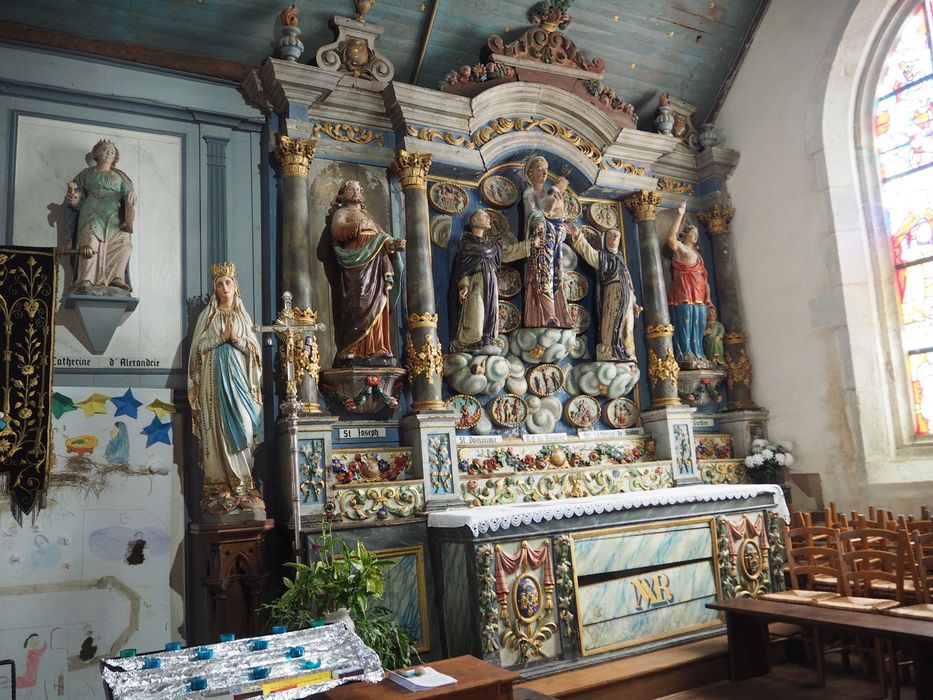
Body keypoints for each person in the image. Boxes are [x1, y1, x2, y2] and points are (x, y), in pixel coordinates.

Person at [187, 262, 265, 517]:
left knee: (243, 425)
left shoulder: (243, 317)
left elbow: (255, 353)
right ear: (215, 289)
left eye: (227, 283)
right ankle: (222, 485)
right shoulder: (207, 318)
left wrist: (237, 340)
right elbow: (197, 351)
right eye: (219, 284)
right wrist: (220, 339)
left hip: (240, 383)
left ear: (235, 286)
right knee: (217, 429)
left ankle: (243, 485)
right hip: (214, 385)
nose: (223, 287)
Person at [327, 180, 406, 365]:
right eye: (351, 189)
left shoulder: (367, 215)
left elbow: (381, 236)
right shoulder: (342, 213)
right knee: (359, 302)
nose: (355, 192)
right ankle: (350, 348)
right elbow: (337, 232)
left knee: (379, 303)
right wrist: (357, 226)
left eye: (358, 189)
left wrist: (392, 244)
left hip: (377, 264)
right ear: (343, 194)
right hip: (356, 264)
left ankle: (378, 347)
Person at [448, 209, 536, 353]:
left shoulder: (493, 245)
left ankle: (486, 340)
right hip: (476, 283)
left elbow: (507, 253)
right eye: (484, 216)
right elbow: (462, 268)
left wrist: (530, 245)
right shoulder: (466, 245)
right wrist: (464, 285)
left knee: (491, 313)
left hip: (491, 282)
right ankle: (467, 343)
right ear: (475, 222)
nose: (489, 218)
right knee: (475, 313)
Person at [66, 139, 136, 292]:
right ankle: (86, 279)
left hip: (114, 217)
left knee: (124, 244)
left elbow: (128, 194)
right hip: (91, 212)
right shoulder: (86, 174)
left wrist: (130, 197)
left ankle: (116, 278)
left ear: (115, 157)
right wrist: (74, 199)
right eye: (104, 149)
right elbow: (77, 195)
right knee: (89, 242)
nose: (108, 153)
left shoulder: (120, 176)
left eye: (112, 151)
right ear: (96, 153)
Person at [569, 226, 642, 362]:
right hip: (612, 294)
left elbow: (629, 283)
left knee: (627, 328)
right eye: (611, 234)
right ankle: (610, 351)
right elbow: (589, 253)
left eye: (617, 236)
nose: (614, 237)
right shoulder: (603, 257)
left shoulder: (621, 260)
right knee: (612, 324)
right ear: (605, 239)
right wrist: (578, 235)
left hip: (627, 297)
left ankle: (627, 352)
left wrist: (634, 302)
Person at [521, 155, 574, 328]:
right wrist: (542, 224)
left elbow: (560, 217)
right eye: (539, 169)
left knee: (557, 275)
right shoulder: (529, 193)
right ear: (530, 173)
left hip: (555, 239)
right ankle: (547, 315)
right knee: (543, 275)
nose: (544, 172)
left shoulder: (552, 193)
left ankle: (559, 313)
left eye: (546, 168)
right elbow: (534, 214)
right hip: (541, 241)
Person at [666, 200, 712, 366]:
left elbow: (704, 277)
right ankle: (685, 352)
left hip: (698, 290)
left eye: (697, 234)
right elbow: (670, 238)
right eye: (693, 233)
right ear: (685, 235)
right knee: (686, 317)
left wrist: (709, 298)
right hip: (684, 287)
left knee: (699, 319)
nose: (696, 236)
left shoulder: (697, 254)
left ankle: (698, 351)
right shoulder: (680, 248)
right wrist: (680, 214)